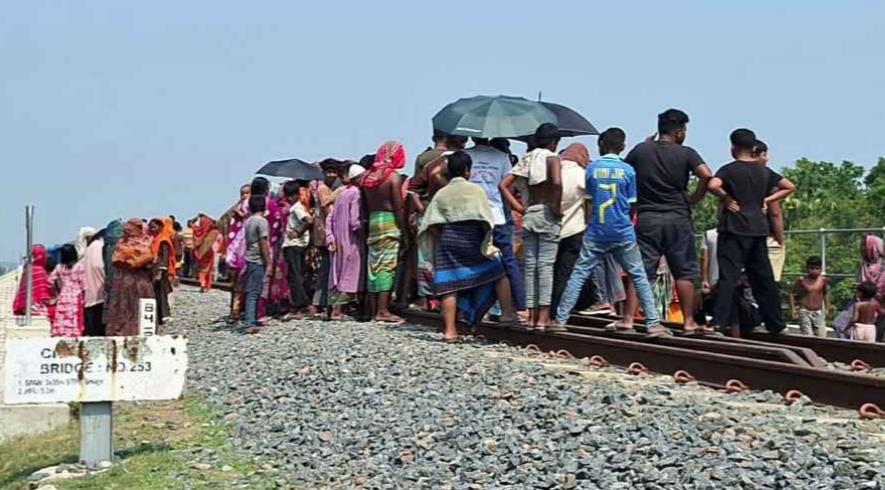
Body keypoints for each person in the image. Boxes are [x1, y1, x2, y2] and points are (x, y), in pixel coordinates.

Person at [554, 128, 670, 337]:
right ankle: (653, 324)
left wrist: (591, 225)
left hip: (596, 230)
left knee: (578, 274)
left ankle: (560, 319)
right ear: (623, 147)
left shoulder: (591, 170)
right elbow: (633, 204)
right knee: (639, 276)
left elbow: (589, 202)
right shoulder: (628, 171)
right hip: (622, 231)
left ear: (600, 145)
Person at [625, 109, 713, 333]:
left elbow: (626, 171)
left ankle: (627, 320)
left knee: (642, 270)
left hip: (647, 217)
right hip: (678, 217)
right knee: (683, 271)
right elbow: (706, 174)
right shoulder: (686, 153)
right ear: (679, 131)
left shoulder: (641, 150)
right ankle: (688, 322)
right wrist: (694, 197)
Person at [418, 151, 519, 341]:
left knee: (449, 284)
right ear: (467, 170)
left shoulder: (442, 193)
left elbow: (429, 222)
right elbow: (485, 219)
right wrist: (485, 243)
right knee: (498, 272)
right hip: (472, 239)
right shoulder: (475, 190)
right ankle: (507, 313)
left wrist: (441, 238)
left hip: (448, 241)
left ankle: (449, 331)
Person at [708, 129, 795, 336]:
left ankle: (720, 323)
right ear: (754, 148)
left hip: (733, 229)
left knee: (728, 278)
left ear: (733, 147)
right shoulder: (764, 171)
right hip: (757, 230)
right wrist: (767, 200)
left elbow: (712, 184)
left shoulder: (729, 170)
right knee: (763, 278)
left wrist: (726, 197)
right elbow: (788, 186)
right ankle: (776, 323)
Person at [500, 123, 562, 330]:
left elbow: (503, 185)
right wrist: (555, 206)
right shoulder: (552, 157)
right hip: (546, 214)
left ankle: (531, 317)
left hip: (530, 214)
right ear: (553, 142)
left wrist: (518, 207)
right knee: (545, 267)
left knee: (530, 267)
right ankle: (543, 318)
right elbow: (557, 182)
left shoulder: (528, 157)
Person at [466, 137, 525, 314]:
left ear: (472, 136)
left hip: (473, 216)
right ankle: (521, 307)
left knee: (474, 262)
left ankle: (472, 308)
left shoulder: (465, 155)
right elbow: (507, 185)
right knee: (508, 261)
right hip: (497, 215)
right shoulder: (501, 156)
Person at [362, 141, 408, 323]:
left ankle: (374, 309)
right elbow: (398, 207)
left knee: (374, 265)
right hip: (389, 221)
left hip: (374, 220)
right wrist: (405, 231)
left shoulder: (369, 177)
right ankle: (383, 310)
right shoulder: (393, 177)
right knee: (387, 265)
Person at [551, 142, 591, 315]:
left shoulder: (553, 171)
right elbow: (590, 202)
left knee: (549, 272)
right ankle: (559, 311)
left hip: (551, 229)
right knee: (565, 273)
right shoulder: (582, 175)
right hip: (575, 230)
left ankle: (545, 310)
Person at [326, 164, 367, 318]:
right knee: (350, 272)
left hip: (338, 237)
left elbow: (329, 217)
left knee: (337, 271)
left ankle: (331, 309)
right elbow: (355, 221)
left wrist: (330, 237)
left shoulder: (342, 193)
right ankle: (339, 310)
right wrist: (363, 234)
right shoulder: (355, 193)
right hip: (351, 239)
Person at [106, 218, 156, 336]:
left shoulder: (122, 242)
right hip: (137, 280)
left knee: (128, 306)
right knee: (131, 306)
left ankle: (123, 331)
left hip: (125, 280)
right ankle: (132, 331)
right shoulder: (145, 242)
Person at [753, 140, 787, 282]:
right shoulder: (768, 177)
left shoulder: (731, 173)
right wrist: (780, 240)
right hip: (765, 236)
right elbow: (774, 213)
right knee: (768, 281)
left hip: (738, 234)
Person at [282, 181, 312, 318]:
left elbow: (309, 221)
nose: (288, 198)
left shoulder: (296, 208)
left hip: (294, 244)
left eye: (291, 195)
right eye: (287, 195)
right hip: (296, 244)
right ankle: (301, 304)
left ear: (297, 195)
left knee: (294, 276)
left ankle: (300, 305)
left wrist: (298, 232)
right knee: (296, 274)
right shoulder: (298, 207)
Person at [244, 195, 271, 333]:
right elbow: (263, 242)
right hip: (257, 258)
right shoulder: (262, 221)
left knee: (252, 290)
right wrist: (269, 262)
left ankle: (252, 318)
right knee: (254, 291)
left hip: (249, 257)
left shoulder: (248, 221)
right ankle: (249, 322)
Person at [224, 184, 252, 318]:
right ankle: (235, 309)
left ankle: (238, 309)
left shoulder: (248, 208)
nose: (244, 196)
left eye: (247, 193)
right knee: (238, 282)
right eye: (242, 194)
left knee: (241, 282)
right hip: (239, 249)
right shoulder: (239, 209)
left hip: (242, 247)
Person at [47, 244, 86, 337]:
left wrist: (57, 290)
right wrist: (84, 299)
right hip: (76, 295)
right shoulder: (79, 266)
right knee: (74, 316)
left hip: (63, 294)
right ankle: (73, 333)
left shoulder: (59, 267)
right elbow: (84, 285)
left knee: (62, 315)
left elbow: (50, 281)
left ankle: (61, 332)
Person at [12, 244, 56, 321]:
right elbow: (44, 296)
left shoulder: (26, 269)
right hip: (34, 308)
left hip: (23, 307)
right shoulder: (40, 271)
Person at [790, 256, 829, 337]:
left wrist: (827, 308)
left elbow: (825, 294)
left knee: (822, 335)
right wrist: (793, 309)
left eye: (817, 268)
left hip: (818, 311)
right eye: (812, 268)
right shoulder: (801, 280)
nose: (814, 271)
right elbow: (792, 293)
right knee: (807, 335)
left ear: (821, 269)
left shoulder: (823, 280)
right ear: (807, 268)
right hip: (805, 311)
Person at [148, 217, 176, 327]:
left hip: (160, 270)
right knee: (156, 293)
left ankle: (164, 314)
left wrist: (161, 271)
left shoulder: (163, 239)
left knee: (161, 293)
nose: (153, 229)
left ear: (160, 227)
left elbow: (165, 256)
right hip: (153, 269)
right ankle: (158, 314)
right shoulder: (154, 239)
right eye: (151, 227)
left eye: (155, 227)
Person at [83, 230, 106, 336]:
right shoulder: (99, 246)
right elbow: (99, 266)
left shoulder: (90, 247)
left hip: (89, 289)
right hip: (98, 288)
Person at [191, 214, 219, 292]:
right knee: (208, 268)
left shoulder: (197, 230)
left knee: (202, 268)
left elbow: (191, 223)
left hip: (200, 251)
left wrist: (196, 217)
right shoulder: (214, 231)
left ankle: (202, 283)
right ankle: (207, 285)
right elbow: (216, 223)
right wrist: (207, 217)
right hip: (209, 251)